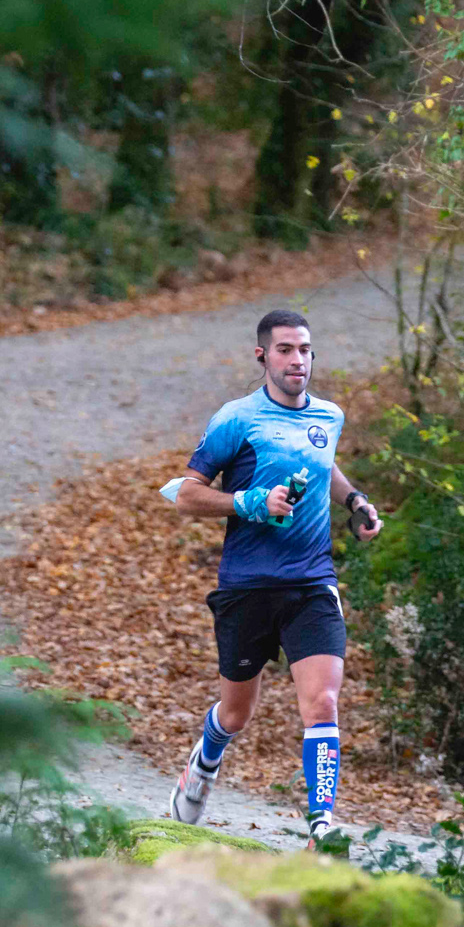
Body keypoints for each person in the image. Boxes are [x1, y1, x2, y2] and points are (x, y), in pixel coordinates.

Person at [159, 308, 380, 850]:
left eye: (305, 350)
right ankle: (205, 763)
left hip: (310, 583)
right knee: (236, 713)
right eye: (285, 350)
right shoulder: (237, 419)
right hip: (247, 585)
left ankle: (321, 828)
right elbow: (184, 495)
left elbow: (322, 463)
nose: (297, 360)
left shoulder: (329, 415)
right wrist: (250, 502)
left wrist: (355, 501)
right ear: (263, 356)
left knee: (323, 702)